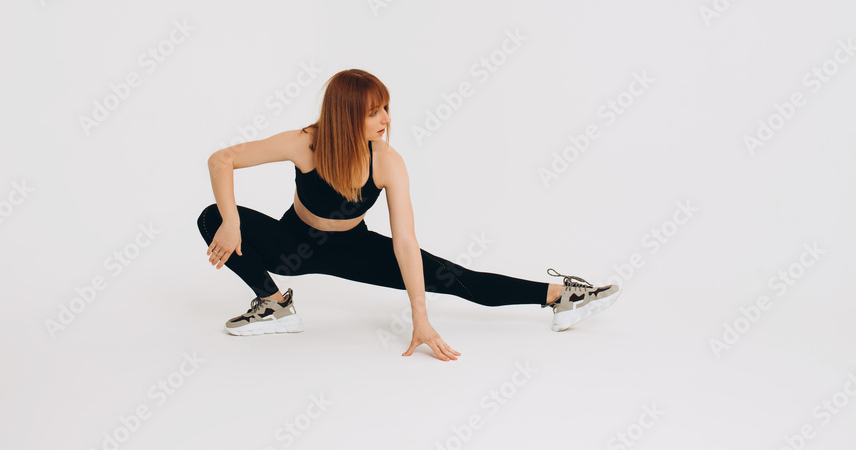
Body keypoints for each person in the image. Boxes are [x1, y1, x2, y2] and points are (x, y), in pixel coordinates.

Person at [196, 69, 621, 360]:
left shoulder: (387, 162)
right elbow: (222, 159)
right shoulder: (304, 143)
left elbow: (404, 241)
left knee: (458, 278)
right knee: (211, 217)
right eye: (373, 112)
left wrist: (420, 315)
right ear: (346, 117)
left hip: (353, 248)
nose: (386, 119)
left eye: (386, 107)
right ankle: (274, 305)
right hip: (290, 245)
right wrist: (231, 222)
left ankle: (560, 296)